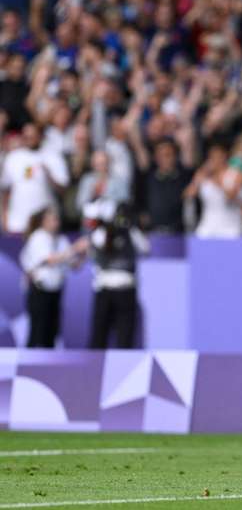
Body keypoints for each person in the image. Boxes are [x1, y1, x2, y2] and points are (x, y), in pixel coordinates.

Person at [85, 203, 149, 349]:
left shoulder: (103, 233)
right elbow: (146, 248)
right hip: (118, 287)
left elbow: (145, 248)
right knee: (113, 335)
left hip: (112, 287)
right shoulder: (126, 232)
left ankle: (101, 367)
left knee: (108, 335)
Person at [18, 208, 79, 347]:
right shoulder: (38, 237)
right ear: (43, 222)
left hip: (55, 291)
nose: (57, 223)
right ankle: (30, 366)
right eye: (53, 219)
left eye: (57, 219)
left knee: (51, 334)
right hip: (40, 291)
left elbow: (74, 264)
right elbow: (50, 260)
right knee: (37, 332)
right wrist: (75, 248)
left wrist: (84, 251)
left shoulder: (61, 239)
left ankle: (47, 366)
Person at [0, 123, 69, 234]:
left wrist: (48, 174)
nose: (29, 140)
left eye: (32, 136)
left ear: (40, 136)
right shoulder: (13, 158)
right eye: (26, 137)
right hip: (18, 223)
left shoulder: (52, 156)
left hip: (45, 224)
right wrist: (4, 218)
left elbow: (63, 189)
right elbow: (5, 190)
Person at [184, 143, 242, 238]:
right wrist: (199, 177)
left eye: (218, 157)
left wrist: (216, 181)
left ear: (225, 157)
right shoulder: (204, 174)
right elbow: (188, 195)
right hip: (207, 226)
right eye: (212, 157)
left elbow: (231, 197)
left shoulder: (235, 174)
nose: (214, 160)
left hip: (229, 227)